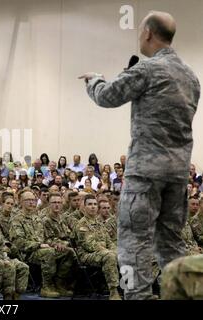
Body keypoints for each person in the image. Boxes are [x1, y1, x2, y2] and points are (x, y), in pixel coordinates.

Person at [79, 11, 200, 300]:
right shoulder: (191, 78)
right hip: (178, 175)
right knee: (171, 245)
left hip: (145, 174)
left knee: (133, 244)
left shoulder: (147, 70)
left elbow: (107, 96)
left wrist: (94, 81)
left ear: (147, 33)